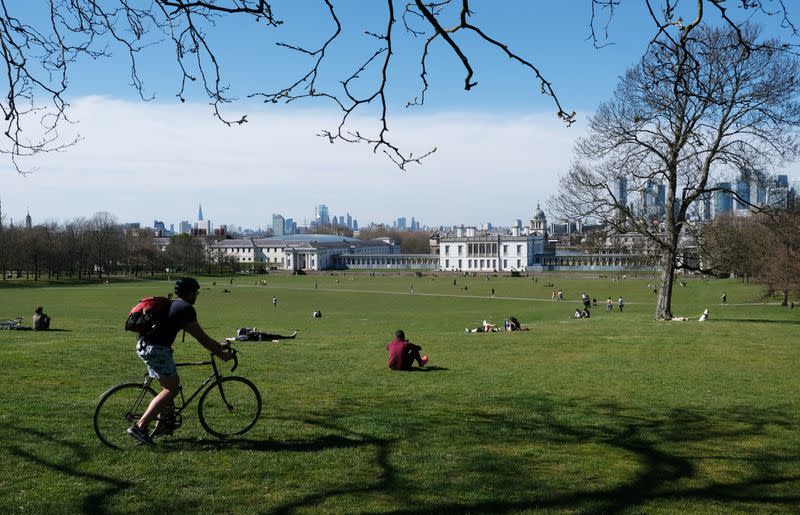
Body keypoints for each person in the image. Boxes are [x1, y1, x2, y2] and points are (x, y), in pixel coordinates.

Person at [127, 277, 231, 447]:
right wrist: (222, 355)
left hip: (147, 346)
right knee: (171, 389)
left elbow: (200, 337)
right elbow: (202, 338)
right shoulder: (185, 309)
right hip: (156, 350)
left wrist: (218, 345)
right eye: (196, 293)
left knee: (166, 386)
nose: (196, 296)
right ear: (190, 293)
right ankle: (140, 427)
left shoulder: (174, 304)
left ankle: (161, 426)